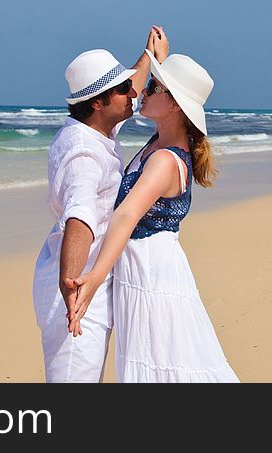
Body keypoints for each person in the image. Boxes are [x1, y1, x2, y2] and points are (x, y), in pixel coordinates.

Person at [66, 48, 240, 383]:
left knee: (163, 363)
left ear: (174, 104)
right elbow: (115, 108)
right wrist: (153, 56)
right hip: (146, 268)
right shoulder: (159, 143)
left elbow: (126, 215)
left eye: (152, 88)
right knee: (157, 363)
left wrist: (94, 279)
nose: (140, 91)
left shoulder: (164, 161)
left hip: (151, 274)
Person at [32, 27, 169, 383]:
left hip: (90, 280)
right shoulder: (83, 152)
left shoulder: (96, 129)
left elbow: (131, 89)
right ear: (97, 103)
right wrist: (74, 289)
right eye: (122, 89)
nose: (133, 94)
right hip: (77, 292)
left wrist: (150, 57)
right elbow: (80, 218)